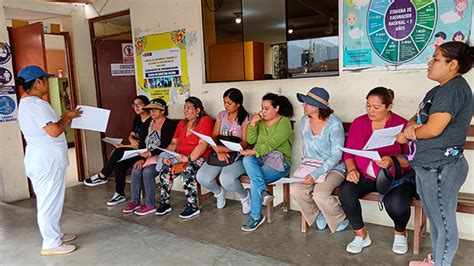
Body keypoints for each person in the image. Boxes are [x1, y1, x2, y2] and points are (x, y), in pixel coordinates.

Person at [401, 42, 473, 266]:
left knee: (443, 222)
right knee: (434, 218)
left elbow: (433, 129)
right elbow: (417, 118)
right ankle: (435, 260)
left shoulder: (454, 89)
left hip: (442, 167)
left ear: (452, 64)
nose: (429, 63)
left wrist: (409, 135)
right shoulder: (438, 89)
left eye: (436, 59)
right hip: (428, 165)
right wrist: (410, 128)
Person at [339, 87, 416, 254]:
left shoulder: (401, 124)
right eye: (367, 105)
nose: (370, 111)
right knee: (346, 191)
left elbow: (411, 158)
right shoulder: (359, 123)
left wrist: (392, 161)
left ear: (389, 107)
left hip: (394, 176)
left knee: (396, 203)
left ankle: (400, 233)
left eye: (376, 107)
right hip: (365, 174)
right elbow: (349, 153)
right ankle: (361, 235)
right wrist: (351, 170)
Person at [17, 65, 82, 255]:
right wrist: (67, 117)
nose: (47, 83)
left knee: (50, 199)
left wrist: (65, 117)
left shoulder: (27, 103)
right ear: (38, 81)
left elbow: (48, 126)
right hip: (47, 161)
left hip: (39, 158)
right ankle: (51, 243)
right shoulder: (37, 105)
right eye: (46, 80)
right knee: (48, 202)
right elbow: (54, 131)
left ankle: (55, 234)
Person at [291, 87, 349, 233]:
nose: (303, 106)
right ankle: (318, 213)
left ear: (318, 107)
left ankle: (340, 217)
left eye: (307, 103)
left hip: (334, 168)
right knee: (296, 189)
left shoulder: (334, 123)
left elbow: (337, 155)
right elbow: (306, 149)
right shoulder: (304, 121)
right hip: (311, 166)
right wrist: (304, 169)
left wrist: (316, 174)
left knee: (320, 194)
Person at [83, 95, 151, 206]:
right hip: (135, 150)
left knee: (118, 151)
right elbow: (131, 135)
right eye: (134, 105)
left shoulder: (151, 121)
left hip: (145, 152)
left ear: (146, 105)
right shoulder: (137, 118)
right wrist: (131, 141)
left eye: (140, 104)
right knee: (120, 164)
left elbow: (144, 144)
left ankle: (102, 176)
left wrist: (124, 146)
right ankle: (119, 194)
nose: (136, 107)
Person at [240, 93, 294, 231]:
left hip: (279, 162)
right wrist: (253, 123)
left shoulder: (284, 123)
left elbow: (271, 144)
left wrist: (253, 152)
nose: (263, 112)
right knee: (247, 159)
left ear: (276, 108)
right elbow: (252, 141)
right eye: (261, 108)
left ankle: (256, 216)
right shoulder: (261, 122)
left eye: (266, 108)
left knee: (255, 181)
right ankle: (263, 191)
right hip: (262, 158)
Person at [155, 96, 214, 219]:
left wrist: (189, 158)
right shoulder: (182, 123)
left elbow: (203, 144)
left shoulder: (205, 120)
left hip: (199, 156)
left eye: (189, 108)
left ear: (198, 110)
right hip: (180, 155)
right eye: (184, 108)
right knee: (165, 170)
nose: (186, 111)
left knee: (187, 171)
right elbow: (174, 143)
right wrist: (167, 155)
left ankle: (193, 206)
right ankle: (165, 203)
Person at [196, 88, 251, 212]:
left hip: (237, 155)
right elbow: (214, 136)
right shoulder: (221, 115)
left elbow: (244, 143)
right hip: (219, 152)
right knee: (202, 177)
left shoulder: (246, 118)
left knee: (226, 179)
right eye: (224, 102)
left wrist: (225, 150)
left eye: (229, 103)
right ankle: (218, 192)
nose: (226, 106)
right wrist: (218, 151)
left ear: (238, 104)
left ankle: (245, 196)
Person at [122, 98, 176, 216]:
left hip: (162, 155)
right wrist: (141, 158)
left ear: (163, 111)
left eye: (155, 110)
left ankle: (150, 204)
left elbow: (165, 144)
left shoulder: (169, 124)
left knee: (147, 172)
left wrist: (151, 154)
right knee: (136, 169)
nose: (152, 112)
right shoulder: (148, 123)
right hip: (146, 155)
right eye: (151, 110)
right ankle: (135, 202)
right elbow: (142, 142)